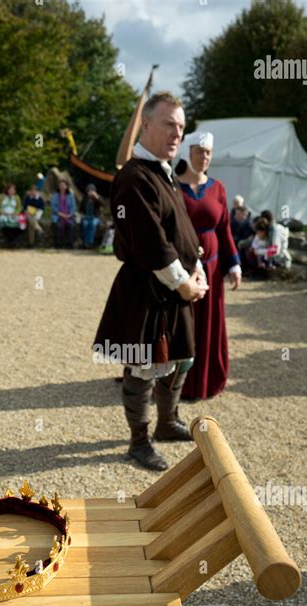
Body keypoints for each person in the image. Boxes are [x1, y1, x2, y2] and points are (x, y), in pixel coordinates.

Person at [93, 91, 209, 471]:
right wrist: (184, 283)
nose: (177, 133)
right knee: (143, 367)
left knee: (183, 358)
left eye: (181, 126)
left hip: (174, 288)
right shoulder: (133, 177)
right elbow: (151, 243)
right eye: (168, 124)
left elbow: (181, 231)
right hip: (148, 289)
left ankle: (166, 421)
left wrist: (198, 269)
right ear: (145, 124)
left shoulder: (164, 172)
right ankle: (139, 442)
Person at [175, 131, 241, 401]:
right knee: (180, 324)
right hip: (180, 269)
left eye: (208, 153)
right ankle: (173, 383)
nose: (204, 157)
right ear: (187, 152)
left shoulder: (218, 188)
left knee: (207, 326)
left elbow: (224, 229)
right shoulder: (173, 186)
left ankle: (203, 379)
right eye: (199, 151)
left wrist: (234, 264)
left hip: (212, 270)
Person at [51, 180, 76, 249]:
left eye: (63, 185)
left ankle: (69, 244)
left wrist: (69, 215)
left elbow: (73, 207)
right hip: (58, 215)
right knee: (57, 226)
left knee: (70, 225)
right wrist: (61, 214)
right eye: (60, 185)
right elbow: (54, 207)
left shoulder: (70, 196)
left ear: (66, 186)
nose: (62, 187)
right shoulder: (55, 196)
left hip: (69, 216)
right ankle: (57, 244)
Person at [79, 183, 104, 249]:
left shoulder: (98, 197)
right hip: (86, 217)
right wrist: (82, 215)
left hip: (95, 217)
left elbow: (103, 204)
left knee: (93, 224)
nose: (90, 192)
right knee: (85, 224)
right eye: (88, 190)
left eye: (92, 190)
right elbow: (81, 209)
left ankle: (90, 242)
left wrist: (96, 197)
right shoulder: (85, 199)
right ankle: (85, 242)